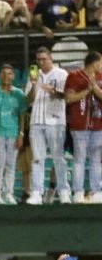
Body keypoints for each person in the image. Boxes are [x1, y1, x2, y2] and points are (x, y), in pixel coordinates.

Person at [25, 47, 69, 205]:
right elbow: (29, 100)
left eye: (44, 59)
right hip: (36, 121)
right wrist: (33, 84)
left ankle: (64, 191)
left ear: (51, 58)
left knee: (59, 158)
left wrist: (53, 91)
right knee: (37, 158)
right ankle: (36, 192)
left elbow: (67, 95)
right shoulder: (34, 75)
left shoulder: (61, 74)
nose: (41, 62)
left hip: (56, 121)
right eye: (38, 60)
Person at [0, 64, 27, 205]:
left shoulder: (19, 94)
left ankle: (9, 193)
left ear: (13, 76)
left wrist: (21, 134)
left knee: (11, 164)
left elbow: (22, 115)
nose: (6, 76)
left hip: (13, 133)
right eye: (3, 73)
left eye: (9, 73)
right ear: (0, 76)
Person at [63, 51, 102, 204]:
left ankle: (96, 192)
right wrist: (87, 90)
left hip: (98, 125)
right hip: (79, 125)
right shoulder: (74, 76)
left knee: (96, 159)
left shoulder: (100, 78)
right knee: (79, 159)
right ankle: (78, 192)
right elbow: (68, 98)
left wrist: (95, 88)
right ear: (94, 63)